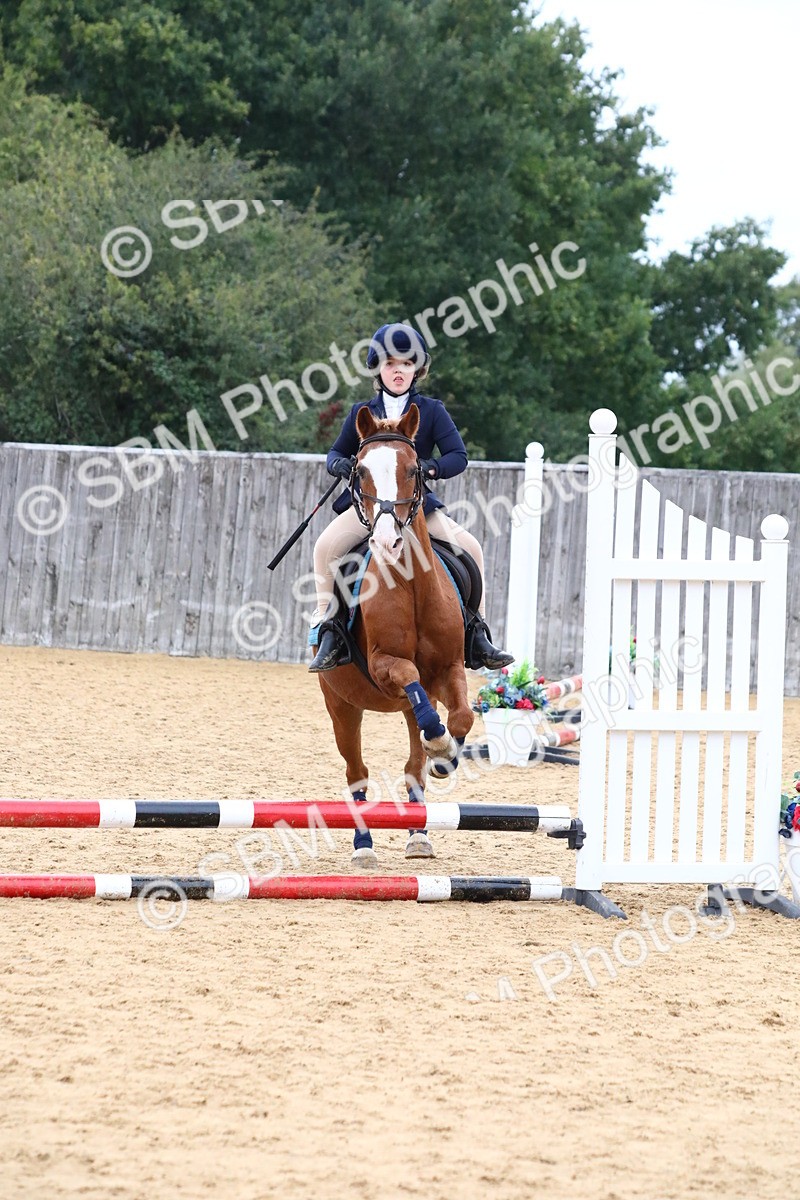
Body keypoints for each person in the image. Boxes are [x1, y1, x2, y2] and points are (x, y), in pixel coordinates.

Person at [308, 323, 514, 672]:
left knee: (472, 548)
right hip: (370, 509)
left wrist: (430, 469)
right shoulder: (362, 411)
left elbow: (458, 456)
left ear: (417, 369)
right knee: (325, 547)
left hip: (414, 507)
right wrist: (339, 464)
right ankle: (329, 630)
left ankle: (477, 633)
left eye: (406, 364)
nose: (398, 371)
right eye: (390, 364)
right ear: (378, 369)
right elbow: (334, 452)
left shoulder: (431, 410)